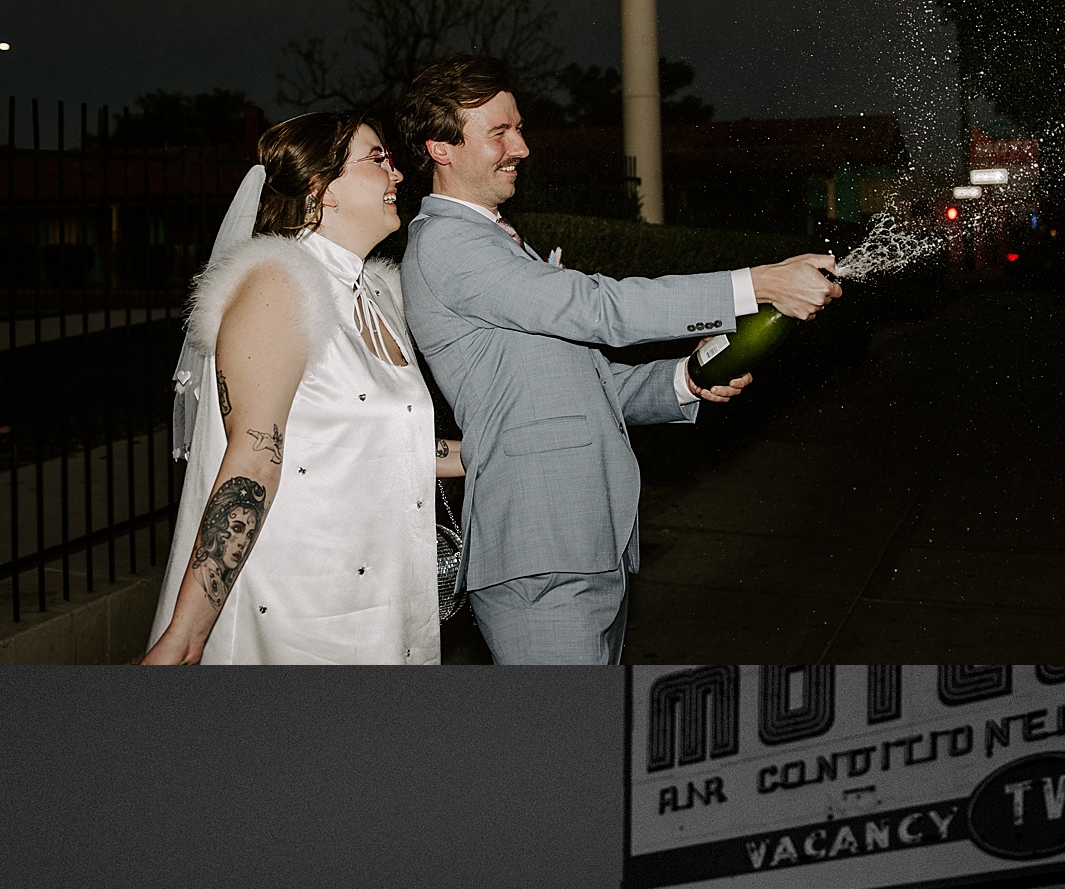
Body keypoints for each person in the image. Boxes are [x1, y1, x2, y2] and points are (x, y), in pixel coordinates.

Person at [396, 56, 840, 664]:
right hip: (541, 546)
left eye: (519, 128)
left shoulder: (496, 239)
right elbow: (595, 308)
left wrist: (682, 380)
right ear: (440, 149)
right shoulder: (448, 242)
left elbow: (579, 383)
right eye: (499, 132)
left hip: (584, 537)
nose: (521, 147)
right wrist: (755, 285)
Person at [143, 112, 464, 665]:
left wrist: (503, 452)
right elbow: (253, 461)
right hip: (299, 607)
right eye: (376, 158)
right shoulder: (278, 285)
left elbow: (380, 445)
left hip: (378, 596)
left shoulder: (377, 295)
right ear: (321, 188)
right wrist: (187, 634)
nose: (398, 175)